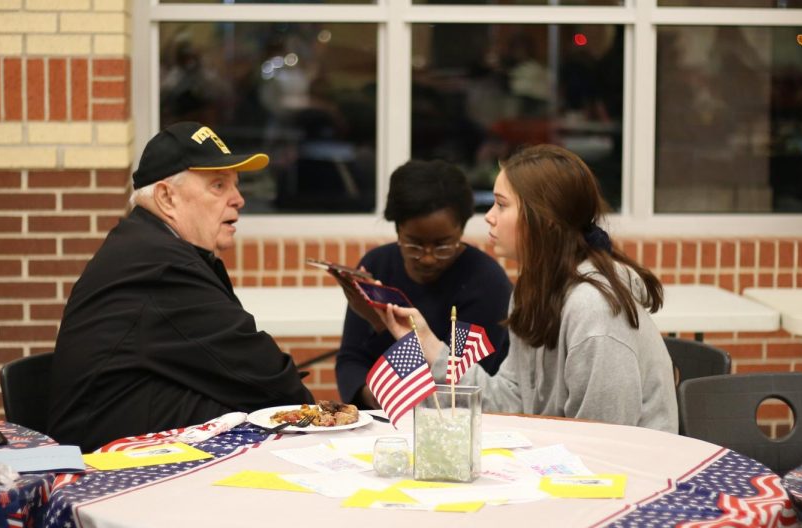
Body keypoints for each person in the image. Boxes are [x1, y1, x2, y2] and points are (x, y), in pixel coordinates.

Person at [48, 122, 313, 451]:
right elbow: (272, 384)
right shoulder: (160, 265)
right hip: (108, 476)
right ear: (166, 197)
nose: (239, 199)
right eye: (218, 185)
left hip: (151, 459)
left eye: (236, 185)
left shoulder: (150, 246)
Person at [379, 145, 677, 432]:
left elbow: (604, 440)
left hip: (630, 475)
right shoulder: (532, 289)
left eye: (502, 204)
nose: (489, 216)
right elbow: (512, 399)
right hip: (564, 461)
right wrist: (428, 344)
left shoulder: (594, 308)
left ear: (544, 220)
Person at [334, 159, 512, 409]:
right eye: (414, 244)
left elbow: (455, 384)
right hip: (379, 417)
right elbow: (351, 359)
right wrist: (371, 397)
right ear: (398, 230)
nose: (428, 258)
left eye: (442, 245)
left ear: (461, 231)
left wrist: (382, 326)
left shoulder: (485, 283)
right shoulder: (377, 265)